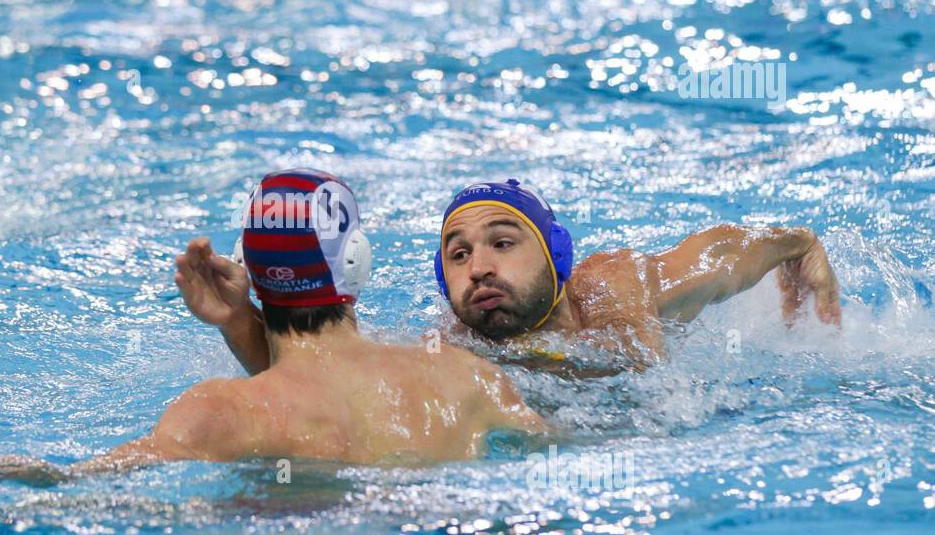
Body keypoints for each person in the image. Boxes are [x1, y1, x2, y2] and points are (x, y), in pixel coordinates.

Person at [0, 170, 547, 486]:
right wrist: (243, 327)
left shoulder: (223, 413)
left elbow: (53, 486)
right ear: (358, 266)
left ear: (253, 279)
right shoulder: (466, 379)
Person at [179, 179, 842, 374]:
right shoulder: (448, 355)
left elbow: (725, 254)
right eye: (458, 256)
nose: (480, 267)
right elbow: (323, 388)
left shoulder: (620, 291)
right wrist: (239, 321)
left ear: (557, 258)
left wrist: (799, 246)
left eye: (503, 242)